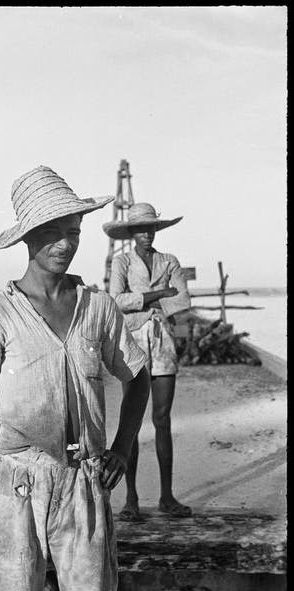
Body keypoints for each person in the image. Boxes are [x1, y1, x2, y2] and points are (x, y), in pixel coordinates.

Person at [0, 165, 150, 591]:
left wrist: (119, 448)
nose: (65, 243)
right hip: (18, 483)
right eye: (51, 231)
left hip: (86, 478)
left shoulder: (98, 307)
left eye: (74, 232)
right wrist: (26, 454)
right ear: (27, 236)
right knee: (14, 585)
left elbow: (138, 376)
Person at [102, 202, 192, 520]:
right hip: (133, 343)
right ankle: (132, 499)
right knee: (133, 418)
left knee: (163, 419)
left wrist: (156, 301)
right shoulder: (122, 261)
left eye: (151, 228)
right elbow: (115, 301)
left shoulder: (170, 260)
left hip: (164, 340)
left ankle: (167, 497)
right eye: (141, 229)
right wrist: (157, 295)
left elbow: (181, 301)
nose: (147, 234)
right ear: (131, 232)